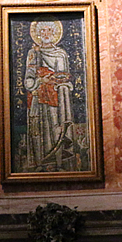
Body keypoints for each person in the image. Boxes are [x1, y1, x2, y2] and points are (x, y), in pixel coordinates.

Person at [23, 18, 75, 171]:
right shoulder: (33, 53)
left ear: (54, 33)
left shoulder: (61, 54)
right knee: (39, 129)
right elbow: (28, 81)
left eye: (49, 30)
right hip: (38, 98)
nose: (46, 34)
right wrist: (40, 80)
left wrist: (60, 82)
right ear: (38, 34)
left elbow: (64, 76)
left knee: (56, 127)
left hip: (56, 98)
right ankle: (41, 164)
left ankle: (58, 163)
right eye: (42, 31)